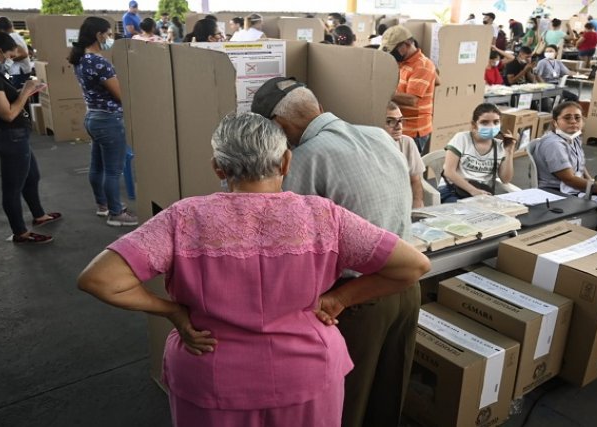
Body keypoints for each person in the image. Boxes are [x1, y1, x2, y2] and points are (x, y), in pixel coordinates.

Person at [77, 111, 429, 427]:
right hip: (306, 373)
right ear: (287, 161)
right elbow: (413, 266)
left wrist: (173, 311)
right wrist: (341, 298)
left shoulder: (183, 218)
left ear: (218, 167)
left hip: (211, 374)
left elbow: (101, 280)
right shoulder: (325, 216)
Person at [250, 77, 418, 427]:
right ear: (319, 108)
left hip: (356, 298)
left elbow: (286, 243)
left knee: (346, 403)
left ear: (279, 127)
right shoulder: (378, 135)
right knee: (388, 395)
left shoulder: (304, 158)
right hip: (406, 284)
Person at [0, 31, 61, 243]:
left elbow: (5, 97)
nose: (10, 60)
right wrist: (26, 92)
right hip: (9, 136)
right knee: (12, 188)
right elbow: (8, 114)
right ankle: (21, 232)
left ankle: (39, 215)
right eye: (9, 56)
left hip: (15, 136)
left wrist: (26, 90)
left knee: (32, 176)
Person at [69, 17, 138, 227]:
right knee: (113, 170)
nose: (109, 39)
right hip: (109, 120)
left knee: (97, 166)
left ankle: (103, 205)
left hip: (93, 117)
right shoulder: (98, 61)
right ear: (99, 35)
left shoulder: (81, 59)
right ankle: (116, 213)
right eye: (108, 34)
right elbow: (120, 95)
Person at [534, 101, 597, 231]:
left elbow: (580, 166)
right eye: (567, 118)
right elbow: (569, 179)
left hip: (572, 187)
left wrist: (592, 182)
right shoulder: (554, 144)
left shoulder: (572, 138)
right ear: (555, 122)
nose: (573, 121)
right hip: (558, 191)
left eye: (577, 118)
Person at [438, 103, 516, 203]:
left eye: (496, 122)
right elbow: (449, 172)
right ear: (474, 124)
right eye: (484, 122)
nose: (491, 126)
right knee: (464, 214)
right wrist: (473, 191)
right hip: (454, 189)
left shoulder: (500, 145)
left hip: (481, 193)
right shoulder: (462, 138)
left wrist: (509, 151)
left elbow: (505, 179)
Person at [381, 25, 438, 154]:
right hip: (401, 126)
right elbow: (438, 81)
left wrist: (382, 92)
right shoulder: (403, 62)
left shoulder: (422, 65)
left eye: (393, 49)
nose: (391, 53)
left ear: (406, 44)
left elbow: (412, 99)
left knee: (408, 168)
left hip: (413, 131)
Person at [385, 102, 425, 208]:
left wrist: (416, 209)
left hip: (404, 204)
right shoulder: (369, 148)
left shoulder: (407, 143)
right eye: (390, 122)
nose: (398, 127)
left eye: (400, 121)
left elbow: (416, 181)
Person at [0, 17, 32, 90]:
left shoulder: (11, 36)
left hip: (19, 71)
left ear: (1, 30)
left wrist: (6, 60)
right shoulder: (14, 35)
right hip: (19, 71)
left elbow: (24, 54)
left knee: (16, 93)